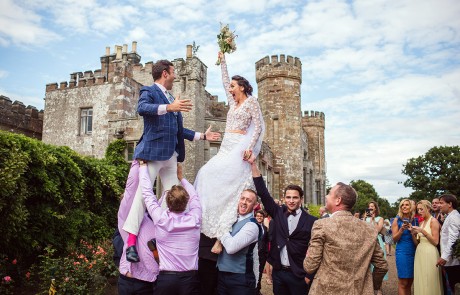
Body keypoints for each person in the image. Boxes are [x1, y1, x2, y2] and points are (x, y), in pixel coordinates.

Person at [122, 60, 220, 262]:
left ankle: (159, 235)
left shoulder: (172, 98)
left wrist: (203, 136)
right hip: (152, 152)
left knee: (177, 197)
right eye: (174, 73)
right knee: (143, 194)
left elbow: (179, 131)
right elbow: (142, 109)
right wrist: (169, 107)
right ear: (165, 73)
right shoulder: (149, 91)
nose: (176, 76)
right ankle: (131, 243)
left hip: (171, 156)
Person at [195, 52, 265, 253]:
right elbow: (225, 80)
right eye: (230, 87)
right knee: (206, 173)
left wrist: (249, 148)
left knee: (234, 186)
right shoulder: (232, 102)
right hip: (226, 144)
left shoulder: (251, 102)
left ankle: (222, 230)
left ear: (241, 87)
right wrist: (222, 60)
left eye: (233, 86)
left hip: (240, 145)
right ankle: (204, 220)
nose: (230, 89)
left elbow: (258, 127)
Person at [303, 182, 388, 295]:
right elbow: (381, 265)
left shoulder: (321, 225)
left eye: (329, 193)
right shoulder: (369, 229)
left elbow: (310, 266)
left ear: (338, 200)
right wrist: (373, 285)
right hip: (360, 290)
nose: (326, 196)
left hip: (326, 290)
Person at [251, 162, 317, 295]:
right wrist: (253, 163)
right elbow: (263, 193)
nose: (291, 200)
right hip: (279, 273)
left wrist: (309, 277)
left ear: (301, 199)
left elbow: (317, 251)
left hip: (299, 275)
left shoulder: (312, 221)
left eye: (295, 197)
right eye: (288, 197)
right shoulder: (278, 212)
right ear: (284, 198)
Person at [140, 162, 201, 295]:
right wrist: (182, 178)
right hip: (189, 280)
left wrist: (143, 167)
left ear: (167, 202)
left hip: (167, 279)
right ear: (186, 203)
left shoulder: (160, 218)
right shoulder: (195, 218)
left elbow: (147, 193)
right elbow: (195, 196)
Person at [117, 160, 159, 294]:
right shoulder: (126, 216)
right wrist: (139, 161)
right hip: (129, 282)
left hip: (149, 283)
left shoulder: (152, 218)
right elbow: (131, 188)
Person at [216, 189, 262, 295]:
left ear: (255, 205)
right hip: (222, 275)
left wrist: (222, 227)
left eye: (249, 200)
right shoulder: (231, 219)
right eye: (242, 198)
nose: (244, 202)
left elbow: (231, 247)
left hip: (240, 279)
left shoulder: (252, 225)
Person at [412, 200, 443, 295]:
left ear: (428, 209)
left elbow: (435, 242)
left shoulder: (433, 221)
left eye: (422, 209)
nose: (420, 211)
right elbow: (417, 243)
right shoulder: (422, 223)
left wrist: (422, 231)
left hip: (430, 252)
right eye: (418, 210)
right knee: (421, 278)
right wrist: (412, 234)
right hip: (420, 252)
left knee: (429, 279)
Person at [391, 199, 417, 295]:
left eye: (407, 205)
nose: (405, 206)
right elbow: (394, 239)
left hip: (414, 252)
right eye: (403, 205)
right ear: (400, 208)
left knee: (410, 282)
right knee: (403, 282)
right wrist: (401, 230)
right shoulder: (396, 220)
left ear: (410, 207)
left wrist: (412, 232)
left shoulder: (415, 220)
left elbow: (417, 241)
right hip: (402, 251)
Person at [436, 194, 460, 292]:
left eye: (441, 203)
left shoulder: (454, 217)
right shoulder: (451, 216)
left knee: (453, 286)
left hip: (454, 261)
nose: (439, 205)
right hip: (451, 260)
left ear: (450, 204)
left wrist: (444, 256)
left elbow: (453, 238)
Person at [365, 201, 389, 293]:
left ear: (375, 208)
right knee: (368, 267)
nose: (370, 208)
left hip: (377, 241)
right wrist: (364, 219)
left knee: (379, 266)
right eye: (369, 206)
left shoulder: (380, 218)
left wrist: (373, 220)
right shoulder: (364, 218)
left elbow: (378, 230)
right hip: (366, 242)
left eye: (372, 206)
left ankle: (378, 289)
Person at [255, 210, 269, 295]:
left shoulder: (265, 228)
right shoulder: (252, 227)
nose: (259, 217)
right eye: (258, 216)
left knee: (260, 273)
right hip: (254, 254)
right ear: (255, 217)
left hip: (262, 255)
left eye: (261, 216)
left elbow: (266, 241)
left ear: (263, 218)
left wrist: (266, 253)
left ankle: (258, 290)